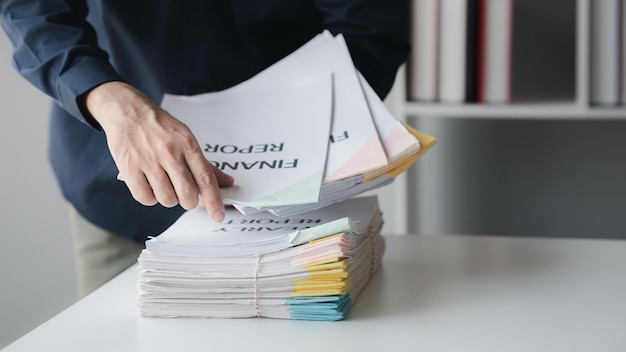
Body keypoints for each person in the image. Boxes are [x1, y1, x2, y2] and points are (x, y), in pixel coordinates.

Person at [0, 0, 410, 297]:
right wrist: (107, 99)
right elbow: (32, 9)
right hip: (117, 187)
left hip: (293, 201)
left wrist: (301, 131)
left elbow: (369, 23)